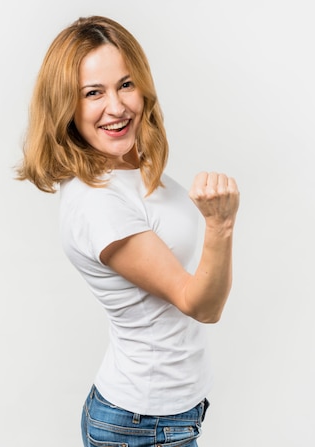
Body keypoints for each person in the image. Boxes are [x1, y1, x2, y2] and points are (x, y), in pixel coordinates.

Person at [16, 15, 239, 447]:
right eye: (92, 93)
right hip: (142, 426)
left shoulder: (125, 168)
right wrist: (221, 224)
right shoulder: (99, 204)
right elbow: (201, 305)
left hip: (160, 414)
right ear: (66, 107)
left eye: (125, 84)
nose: (116, 107)